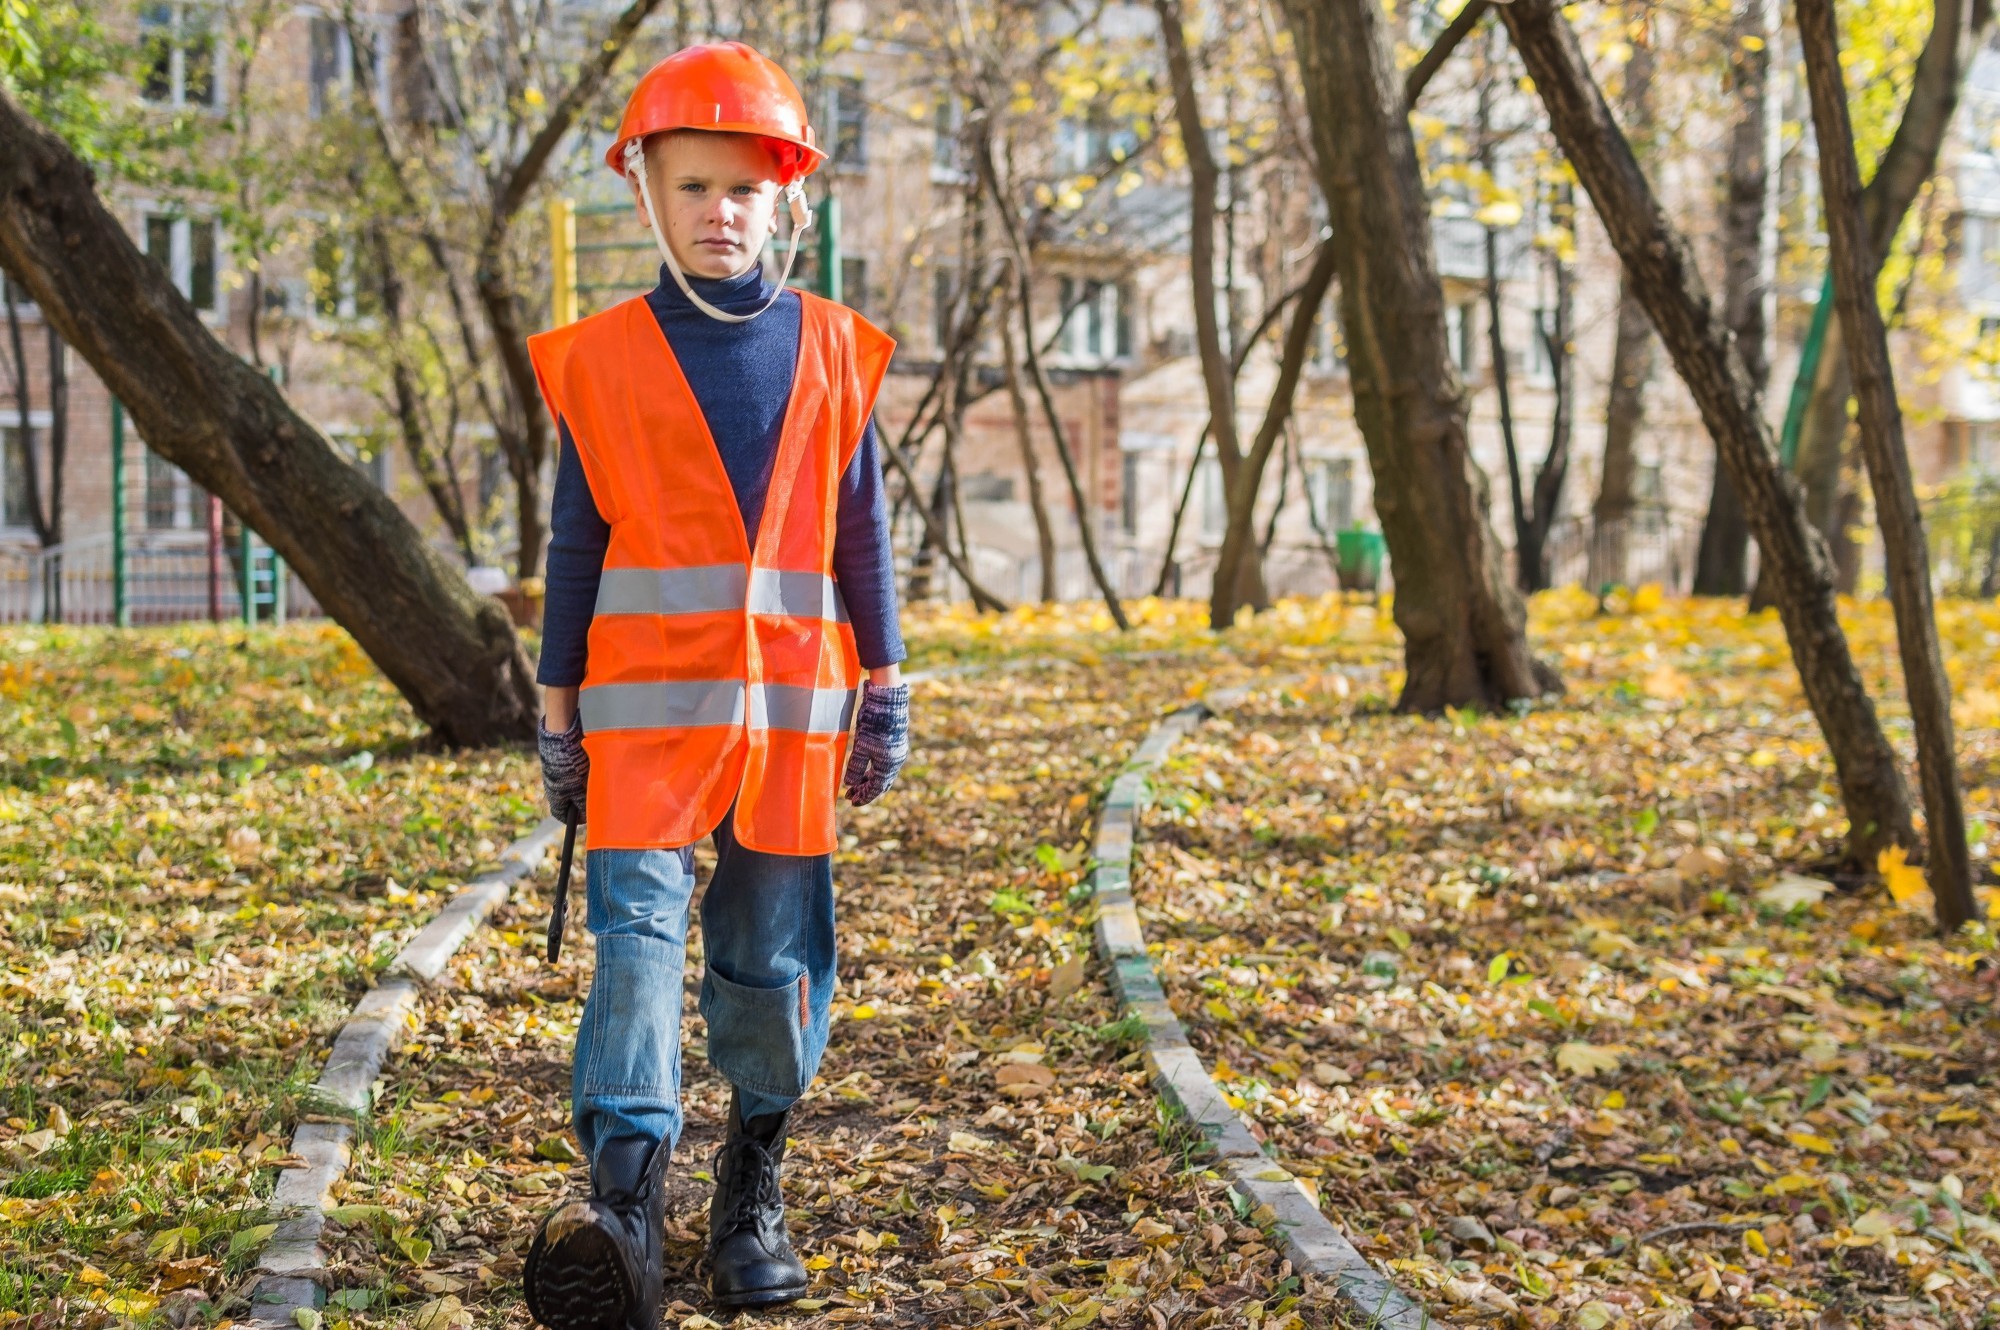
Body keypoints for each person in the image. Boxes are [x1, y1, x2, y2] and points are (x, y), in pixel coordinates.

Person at [518, 41, 909, 1329]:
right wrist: (556, 713)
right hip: (640, 720)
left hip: (791, 720)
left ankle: (752, 1181)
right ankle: (622, 1204)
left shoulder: (836, 353)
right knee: (635, 939)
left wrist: (889, 683)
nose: (720, 212)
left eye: (745, 189)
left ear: (784, 198)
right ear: (647, 192)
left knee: (764, 953)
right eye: (693, 188)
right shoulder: (606, 360)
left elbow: (860, 541)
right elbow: (578, 549)